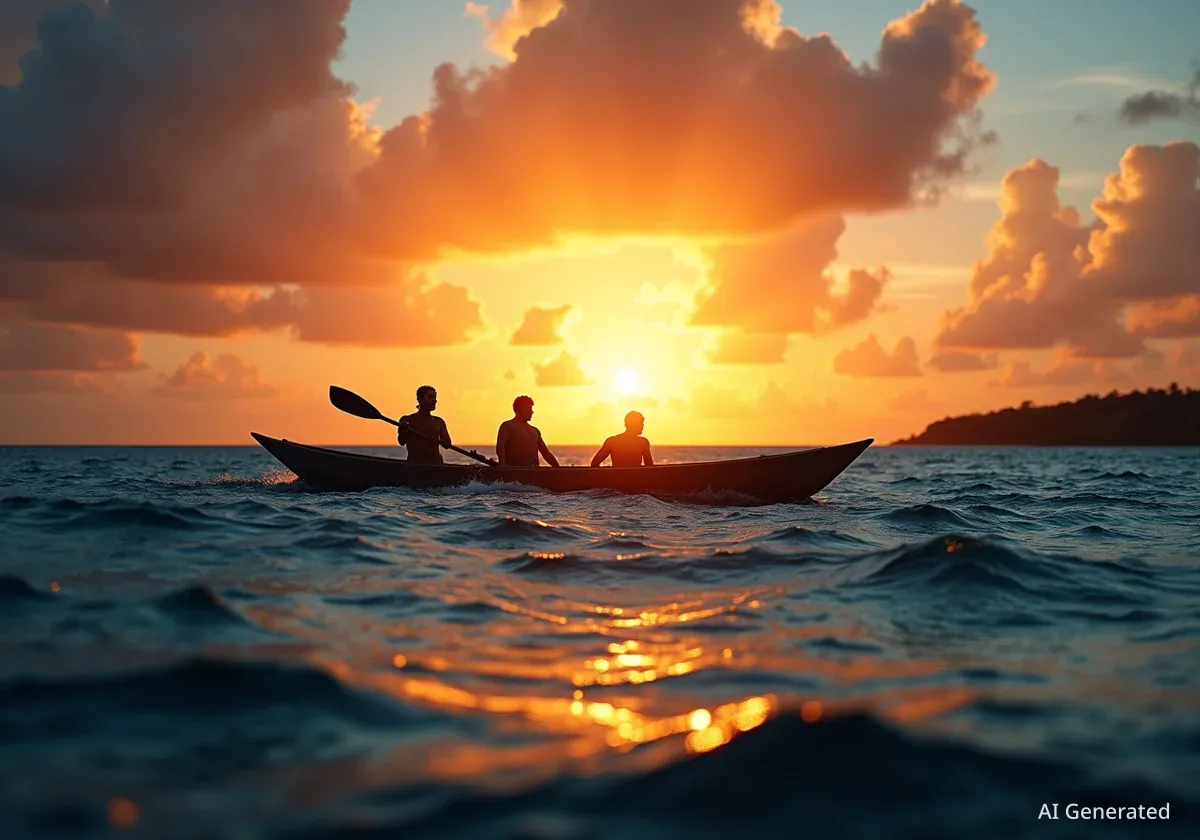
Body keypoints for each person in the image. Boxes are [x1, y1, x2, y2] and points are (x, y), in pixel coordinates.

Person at [496, 395, 559, 467]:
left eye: (531, 408)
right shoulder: (507, 426)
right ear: (518, 409)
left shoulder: (535, 431)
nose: (531, 412)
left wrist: (558, 469)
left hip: (533, 471)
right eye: (528, 408)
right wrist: (503, 467)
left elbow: (546, 453)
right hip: (514, 471)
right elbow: (500, 448)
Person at [397, 385, 452, 464]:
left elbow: (447, 444)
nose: (434, 400)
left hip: (436, 466)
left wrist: (442, 442)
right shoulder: (407, 420)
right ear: (420, 399)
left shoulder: (439, 422)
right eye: (430, 397)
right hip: (415, 466)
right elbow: (401, 441)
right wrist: (404, 431)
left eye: (435, 397)